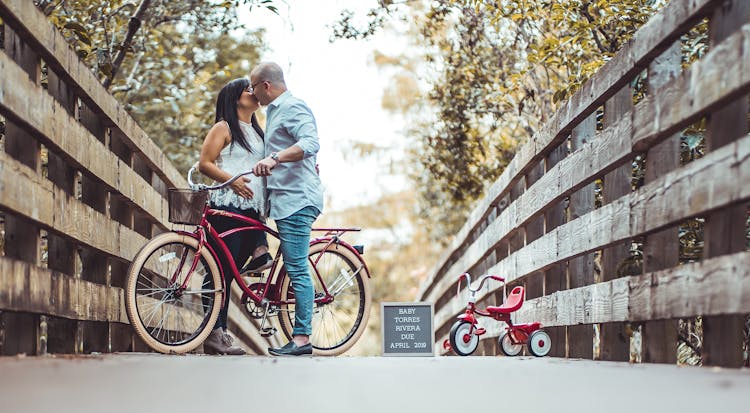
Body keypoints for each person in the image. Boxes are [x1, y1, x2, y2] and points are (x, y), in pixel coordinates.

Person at [250, 62, 324, 356]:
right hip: (284, 201)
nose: (252, 94)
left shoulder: (293, 107)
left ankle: (302, 339)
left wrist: (276, 158)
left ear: (265, 86)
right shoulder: (273, 112)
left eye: (253, 88)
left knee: (297, 269)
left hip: (297, 200)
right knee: (293, 266)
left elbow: (311, 143)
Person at [198, 77, 273, 355]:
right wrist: (231, 181)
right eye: (248, 89)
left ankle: (218, 333)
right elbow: (204, 163)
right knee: (219, 272)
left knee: (227, 274)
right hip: (227, 207)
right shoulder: (224, 127)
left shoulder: (258, 131)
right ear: (234, 98)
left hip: (252, 212)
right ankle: (215, 333)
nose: (254, 93)